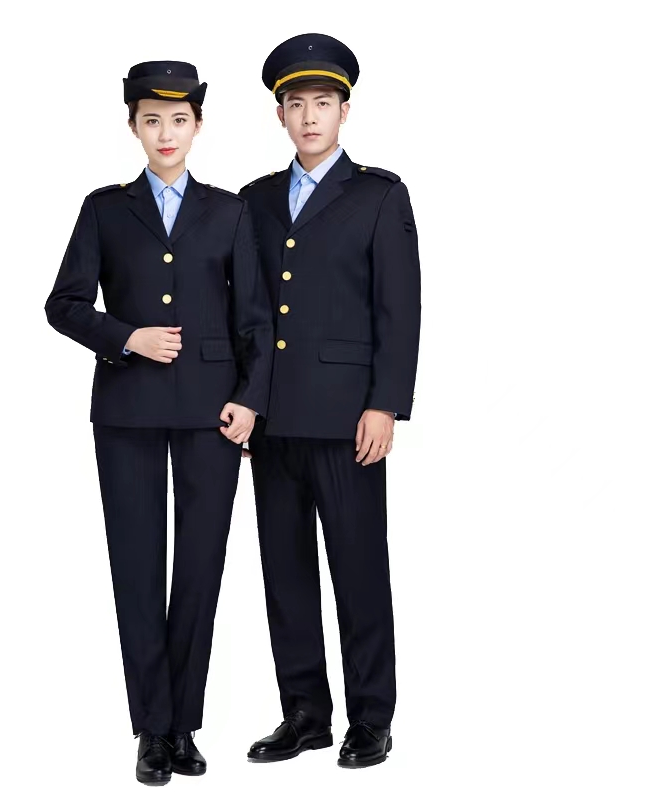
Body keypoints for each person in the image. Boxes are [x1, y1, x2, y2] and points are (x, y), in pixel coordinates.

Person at [44, 60, 273, 786]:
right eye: (152, 120)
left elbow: (255, 320)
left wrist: (250, 398)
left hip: (212, 414)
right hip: (129, 411)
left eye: (179, 120)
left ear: (198, 126)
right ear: (133, 126)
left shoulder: (231, 211)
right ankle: (151, 728)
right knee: (137, 569)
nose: (166, 133)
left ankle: (183, 726)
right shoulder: (104, 209)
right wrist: (126, 337)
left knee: (200, 568)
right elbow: (63, 304)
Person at [239, 33, 421, 769]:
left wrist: (386, 404)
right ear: (279, 114)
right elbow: (246, 312)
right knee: (285, 575)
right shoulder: (253, 200)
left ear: (345, 111)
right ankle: (306, 714)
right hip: (273, 420)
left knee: (358, 569)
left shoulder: (378, 195)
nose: (309, 116)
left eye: (323, 102)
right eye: (296, 103)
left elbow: (398, 309)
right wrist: (243, 401)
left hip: (349, 421)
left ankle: (371, 717)